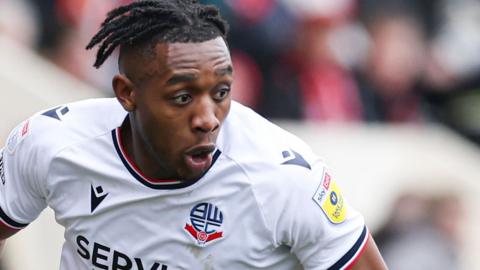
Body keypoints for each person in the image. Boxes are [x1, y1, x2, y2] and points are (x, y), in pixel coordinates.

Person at [0, 0, 387, 269]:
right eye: (182, 97)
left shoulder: (282, 177)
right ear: (127, 94)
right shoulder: (51, 143)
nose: (208, 119)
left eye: (221, 93)